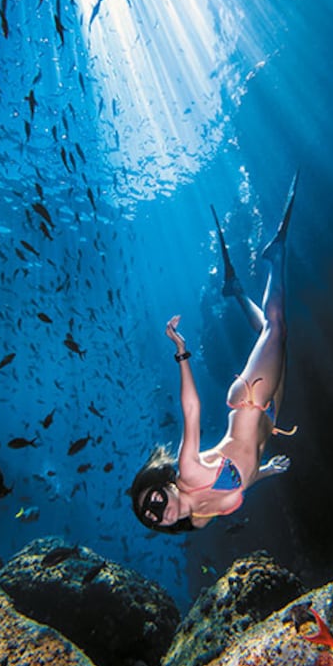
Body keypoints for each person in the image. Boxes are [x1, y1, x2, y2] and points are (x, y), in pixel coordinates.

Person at [130, 173, 299, 533]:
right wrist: (266, 471)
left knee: (277, 328)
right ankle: (235, 290)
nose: (158, 513)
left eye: (153, 501)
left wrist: (182, 353)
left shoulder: (188, 471)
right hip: (271, 415)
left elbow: (191, 409)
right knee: (272, 337)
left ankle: (275, 255)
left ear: (161, 484)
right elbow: (243, 480)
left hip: (250, 401)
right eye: (152, 519)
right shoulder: (201, 520)